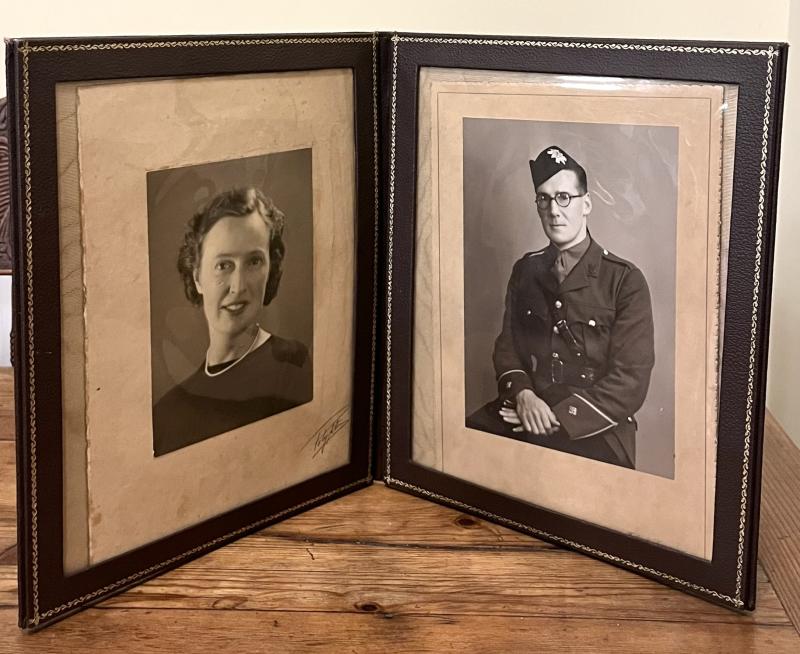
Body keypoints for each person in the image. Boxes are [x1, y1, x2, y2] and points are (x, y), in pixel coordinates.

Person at [466, 145, 655, 469]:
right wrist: (524, 396)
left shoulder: (625, 280)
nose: (554, 210)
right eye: (544, 198)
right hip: (527, 406)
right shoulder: (525, 271)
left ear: (587, 204)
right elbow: (507, 349)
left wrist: (554, 418)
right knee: (463, 448)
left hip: (595, 425)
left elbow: (630, 381)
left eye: (565, 197)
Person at [153, 187, 312, 456]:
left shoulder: (293, 365)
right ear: (197, 278)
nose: (238, 287)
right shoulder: (166, 412)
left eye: (253, 262)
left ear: (270, 270)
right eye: (223, 265)